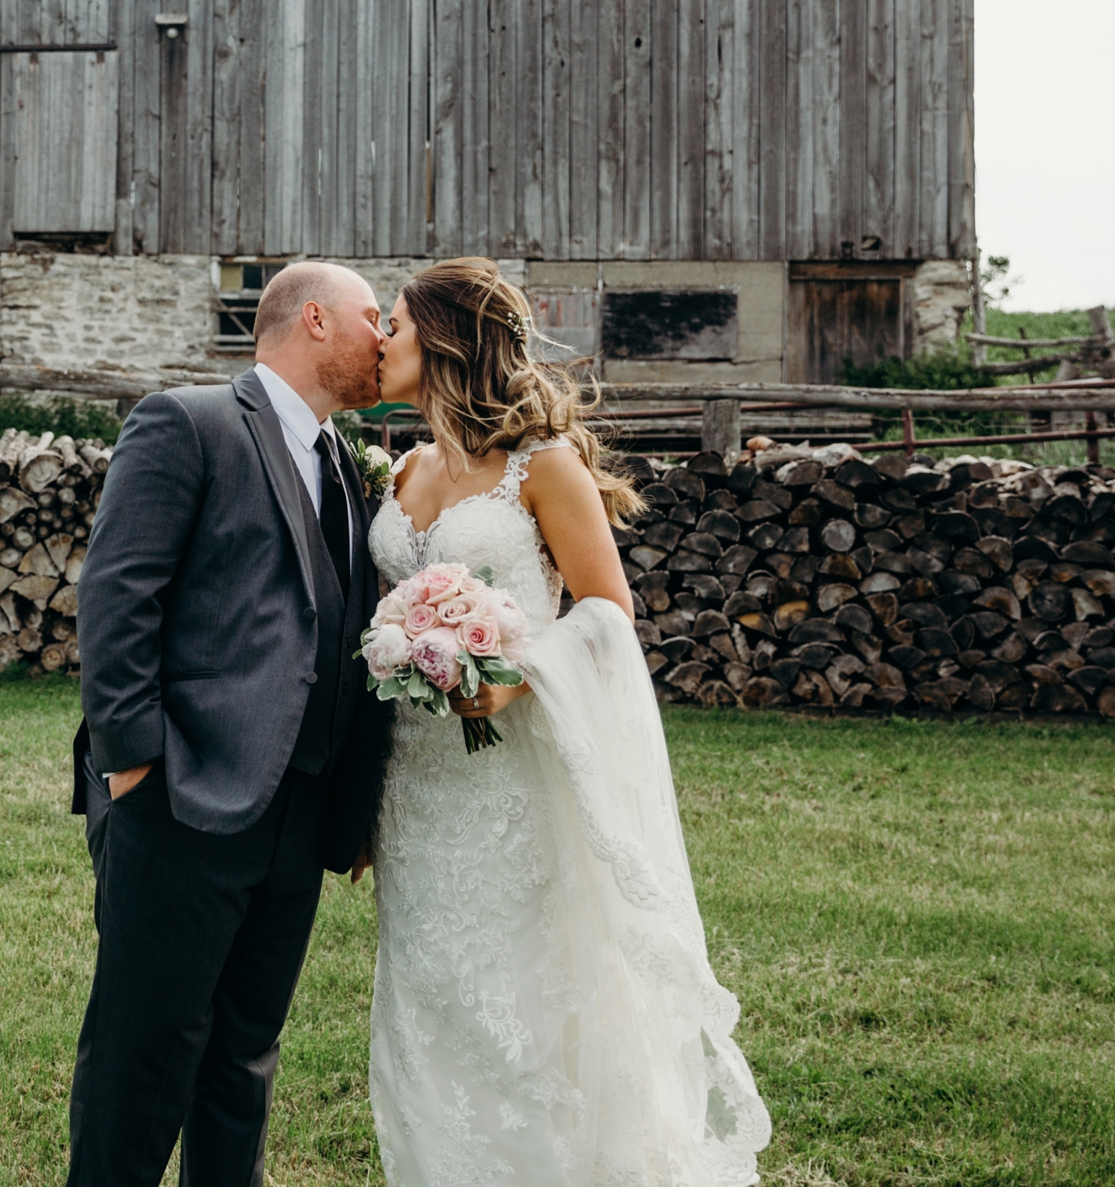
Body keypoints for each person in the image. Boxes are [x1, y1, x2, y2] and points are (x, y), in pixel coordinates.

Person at [364, 257, 772, 1185]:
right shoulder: (399, 469)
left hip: (514, 777)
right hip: (416, 787)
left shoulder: (543, 469)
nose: (379, 341)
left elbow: (604, 611)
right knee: (429, 999)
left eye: (393, 323)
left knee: (528, 1002)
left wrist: (512, 677)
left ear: (442, 340)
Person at [68, 261, 395, 1187]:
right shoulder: (189, 422)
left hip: (298, 817)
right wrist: (134, 766)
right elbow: (118, 593)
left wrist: (351, 800)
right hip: (182, 802)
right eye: (377, 317)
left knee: (244, 1064)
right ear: (319, 320)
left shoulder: (343, 460)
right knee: (143, 1061)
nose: (388, 338)